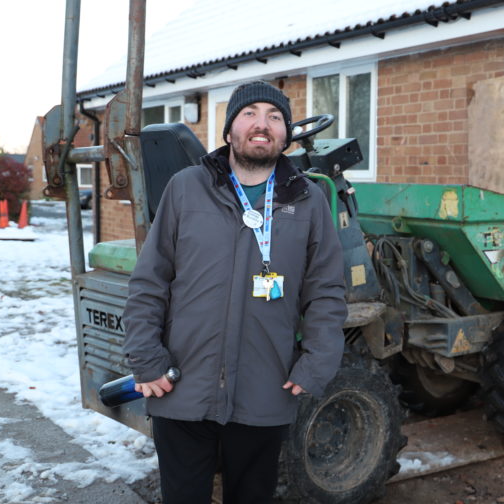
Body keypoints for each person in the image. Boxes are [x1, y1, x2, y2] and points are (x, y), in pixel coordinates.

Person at [122, 80, 347, 503]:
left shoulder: (310, 200)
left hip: (265, 392)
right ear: (229, 130)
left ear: (286, 135)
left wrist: (317, 362)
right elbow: (150, 281)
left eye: (275, 117)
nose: (262, 124)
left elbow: (326, 292)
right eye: (250, 114)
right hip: (182, 389)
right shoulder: (186, 188)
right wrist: (146, 358)